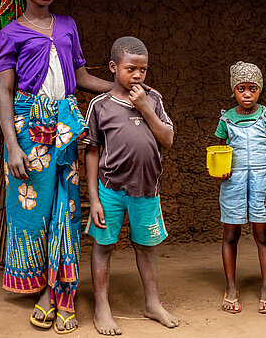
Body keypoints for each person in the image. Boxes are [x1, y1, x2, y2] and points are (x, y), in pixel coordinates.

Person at [0, 0, 113, 334]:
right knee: (34, 211)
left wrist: (121, 88)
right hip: (28, 128)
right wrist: (12, 146)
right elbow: (5, 91)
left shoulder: (67, 25)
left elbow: (79, 77)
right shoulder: (10, 33)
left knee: (66, 208)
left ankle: (56, 292)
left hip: (65, 125)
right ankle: (45, 287)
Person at [83, 36, 179, 335]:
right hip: (110, 190)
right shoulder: (100, 105)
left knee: (145, 247)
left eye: (143, 70)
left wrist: (145, 109)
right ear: (113, 67)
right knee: (103, 247)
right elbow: (91, 151)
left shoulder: (153, 99)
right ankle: (102, 307)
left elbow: (168, 139)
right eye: (130, 68)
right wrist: (94, 199)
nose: (137, 75)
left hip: (146, 191)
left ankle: (153, 304)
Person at [214, 61, 266, 314]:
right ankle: (231, 287)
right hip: (233, 183)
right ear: (234, 90)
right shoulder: (226, 119)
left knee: (262, 235)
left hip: (263, 181)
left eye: (252, 88)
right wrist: (222, 168)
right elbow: (221, 150)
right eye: (241, 88)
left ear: (259, 90)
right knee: (231, 235)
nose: (247, 94)